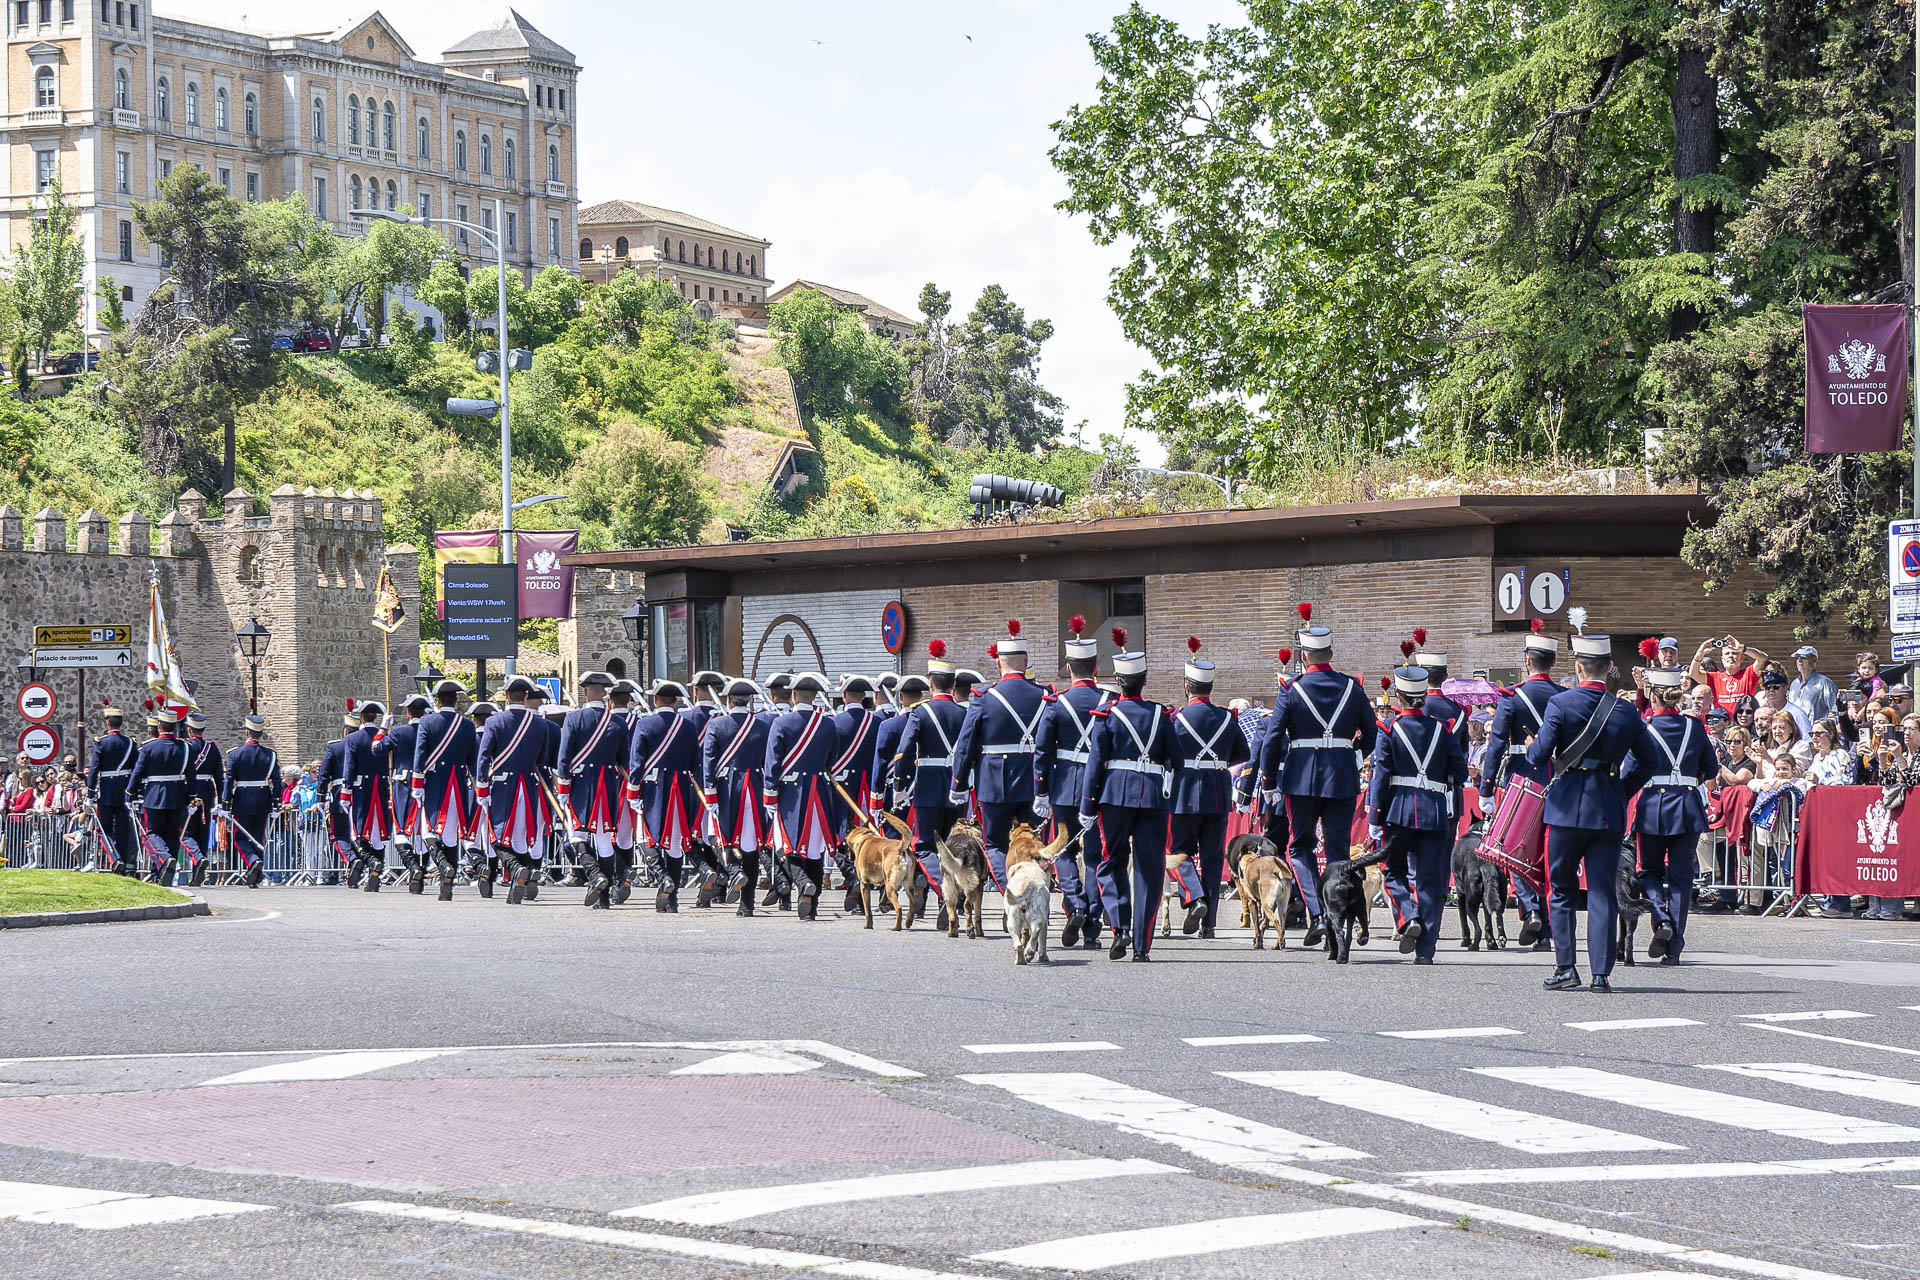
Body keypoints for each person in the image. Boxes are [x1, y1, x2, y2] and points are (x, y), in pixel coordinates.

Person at [1525, 631, 1648, 993]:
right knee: (1601, 893)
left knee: (1561, 890)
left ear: (1578, 667)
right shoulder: (1625, 710)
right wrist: (1619, 791)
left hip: (1564, 809)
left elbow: (1540, 755)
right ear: (1609, 667)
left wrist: (1532, 746)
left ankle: (1566, 967)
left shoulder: (1561, 704)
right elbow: (1649, 762)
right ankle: (1600, 973)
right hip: (1608, 810)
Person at [1254, 604, 1377, 947]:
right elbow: (1372, 733)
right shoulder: (1352, 687)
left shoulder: (1290, 688)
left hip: (1302, 776)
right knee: (1338, 852)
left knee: (1300, 847)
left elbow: (1273, 737)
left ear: (1304, 656)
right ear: (1331, 653)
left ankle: (1319, 913)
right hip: (1341, 776)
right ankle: (1337, 922)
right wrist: (1351, 755)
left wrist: (1269, 782)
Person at [1080, 641, 1179, 961]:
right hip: (1153, 797)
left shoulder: (1106, 715)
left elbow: (1095, 764)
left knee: (1111, 862)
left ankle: (1120, 927)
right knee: (1150, 871)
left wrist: (1087, 806)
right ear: (1144, 680)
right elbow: (1177, 760)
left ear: (1118, 682)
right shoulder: (1160, 715)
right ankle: (1141, 946)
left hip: (1115, 796)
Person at [1366, 664, 1468, 963]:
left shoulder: (1388, 729)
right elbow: (1460, 771)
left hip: (1398, 811)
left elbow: (1381, 775)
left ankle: (1408, 917)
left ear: (1398, 696)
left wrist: (1375, 816)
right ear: (1424, 695)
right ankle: (1426, 950)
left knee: (1392, 872)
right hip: (1435, 811)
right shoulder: (1443, 728)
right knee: (1430, 882)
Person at [1622, 669, 1717, 963]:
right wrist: (1688, 781)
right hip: (1687, 806)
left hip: (1652, 806)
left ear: (1653, 695)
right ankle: (1674, 947)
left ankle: (1661, 918)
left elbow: (1630, 769)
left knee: (1648, 871)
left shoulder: (1644, 727)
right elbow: (1711, 769)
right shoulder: (1695, 727)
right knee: (1680, 877)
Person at [951, 621, 1047, 897]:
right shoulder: (1045, 695)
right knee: (1034, 841)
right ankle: (1033, 890)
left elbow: (966, 743)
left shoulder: (983, 697)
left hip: (995, 781)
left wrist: (958, 782)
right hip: (1034, 779)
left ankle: (1011, 892)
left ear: (998, 663)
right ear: (1026, 662)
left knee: (994, 844)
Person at [1481, 621, 1561, 945]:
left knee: (1514, 846)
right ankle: (1550, 928)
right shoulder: (1564, 696)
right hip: (1555, 777)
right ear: (1552, 662)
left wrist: (1486, 787)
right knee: (1546, 851)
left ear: (1528, 660)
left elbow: (1497, 743)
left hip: (1520, 776)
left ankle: (1530, 911)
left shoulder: (1512, 697)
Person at [1166, 636, 1251, 938]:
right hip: (1217, 791)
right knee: (1213, 858)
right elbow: (1244, 754)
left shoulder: (1176, 718)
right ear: (1209, 687)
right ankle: (1210, 923)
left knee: (1178, 851)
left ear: (1187, 687)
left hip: (1185, 791)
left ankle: (1194, 895)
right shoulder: (1228, 718)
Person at [1034, 617, 1111, 949]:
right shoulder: (1109, 700)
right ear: (1095, 668)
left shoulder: (1056, 703)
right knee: (1094, 855)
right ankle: (1092, 926)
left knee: (1062, 850)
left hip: (1064, 785)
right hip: (1097, 788)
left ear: (1069, 668)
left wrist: (1040, 789)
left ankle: (1075, 903)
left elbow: (1042, 748)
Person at [892, 642, 969, 926]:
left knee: (924, 846)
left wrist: (899, 786)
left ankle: (946, 893)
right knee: (952, 846)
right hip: (958, 787)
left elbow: (904, 750)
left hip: (927, 787)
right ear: (952, 684)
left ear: (930, 683)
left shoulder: (920, 712)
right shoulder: (964, 713)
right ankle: (948, 899)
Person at [762, 671, 841, 921]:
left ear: (794, 695)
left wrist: (769, 795)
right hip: (819, 793)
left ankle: (804, 884)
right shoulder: (828, 724)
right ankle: (810, 906)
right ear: (815, 696)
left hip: (790, 795)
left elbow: (772, 764)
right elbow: (832, 760)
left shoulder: (781, 724)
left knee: (788, 847)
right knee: (815, 851)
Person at [476, 676, 554, 905]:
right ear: (527, 696)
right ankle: (524, 874)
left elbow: (484, 757)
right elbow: (543, 759)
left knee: (497, 838)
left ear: (506, 696)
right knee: (520, 838)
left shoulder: (494, 722)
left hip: (502, 787)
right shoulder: (540, 724)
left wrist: (481, 788)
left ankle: (519, 867)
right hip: (530, 786)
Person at [558, 671, 631, 911]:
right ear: (605, 693)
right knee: (603, 838)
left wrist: (563, 787)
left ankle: (595, 874)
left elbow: (565, 756)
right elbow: (624, 760)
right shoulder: (618, 722)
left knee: (577, 835)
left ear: (587, 691)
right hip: (609, 784)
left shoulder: (574, 719)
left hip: (581, 784)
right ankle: (604, 896)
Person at [629, 679, 701, 912]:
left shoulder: (645, 724)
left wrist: (633, 790)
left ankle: (663, 879)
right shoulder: (688, 725)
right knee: (676, 844)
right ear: (676, 701)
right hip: (681, 787)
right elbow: (694, 762)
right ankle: (672, 898)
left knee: (645, 837)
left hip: (654, 787)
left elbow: (637, 761)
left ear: (656, 700)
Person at [700, 676, 769, 917]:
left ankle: (735, 871)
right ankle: (747, 905)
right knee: (750, 847)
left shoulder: (716, 725)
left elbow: (708, 762)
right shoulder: (762, 725)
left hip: (727, 789)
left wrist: (710, 794)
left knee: (720, 838)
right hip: (756, 789)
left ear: (728, 700)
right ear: (749, 700)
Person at [410, 679, 476, 901]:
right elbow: (473, 760)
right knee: (451, 834)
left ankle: (445, 866)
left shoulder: (427, 723)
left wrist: (417, 783)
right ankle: (448, 878)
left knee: (429, 830)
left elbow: (420, 754)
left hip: (434, 781)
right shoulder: (467, 725)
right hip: (458, 783)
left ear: (438, 700)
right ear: (456, 700)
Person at [829, 674, 884, 910]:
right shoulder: (879, 721)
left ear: (844, 696)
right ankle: (863, 889)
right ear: (865, 697)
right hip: (869, 787)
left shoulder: (834, 722)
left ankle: (853, 878)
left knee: (840, 836)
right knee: (868, 839)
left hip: (844, 788)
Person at [126, 706, 198, 885]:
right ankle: (163, 873)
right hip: (178, 794)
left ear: (159, 726)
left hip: (154, 795)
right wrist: (192, 796)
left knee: (151, 834)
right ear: (174, 726)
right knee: (172, 835)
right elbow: (191, 775)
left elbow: (138, 772)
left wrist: (130, 792)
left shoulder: (149, 747)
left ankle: (165, 860)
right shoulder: (185, 747)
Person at [218, 713, 279, 887]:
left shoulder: (236, 755)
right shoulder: (270, 755)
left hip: (242, 799)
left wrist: (225, 803)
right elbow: (276, 781)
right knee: (258, 838)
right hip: (263, 798)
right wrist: (276, 802)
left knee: (240, 838)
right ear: (260, 734)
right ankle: (256, 876)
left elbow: (229, 781)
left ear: (246, 733)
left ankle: (252, 862)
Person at [342, 702, 394, 893]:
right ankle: (375, 875)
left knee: (358, 832)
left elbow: (349, 766)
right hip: (381, 785)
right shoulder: (384, 737)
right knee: (377, 832)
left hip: (361, 788)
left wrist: (346, 791)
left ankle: (372, 863)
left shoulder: (353, 738)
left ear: (361, 717)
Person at [86, 704, 138, 875]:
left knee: (103, 829)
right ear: (121, 723)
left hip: (107, 790)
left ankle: (114, 859)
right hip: (125, 791)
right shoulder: (130, 743)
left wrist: (91, 793)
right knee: (123, 830)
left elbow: (94, 770)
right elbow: (136, 769)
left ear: (107, 723)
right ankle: (121, 864)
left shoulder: (101, 743)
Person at [385, 695, 429, 892]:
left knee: (401, 831)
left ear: (408, 712)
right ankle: (420, 873)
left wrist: (383, 729)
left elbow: (377, 749)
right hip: (428, 784)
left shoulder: (400, 731)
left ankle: (413, 867)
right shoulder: (432, 731)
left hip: (403, 786)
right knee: (424, 832)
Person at [606, 679, 644, 901]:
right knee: (632, 834)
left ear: (610, 701)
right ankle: (625, 873)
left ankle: (620, 878)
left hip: (612, 783)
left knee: (613, 835)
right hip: (636, 783)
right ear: (630, 700)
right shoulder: (640, 722)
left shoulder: (606, 723)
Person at [316, 706, 360, 886]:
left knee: (338, 834)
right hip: (361, 794)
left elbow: (324, 774)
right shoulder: (365, 746)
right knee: (359, 833)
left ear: (344, 731)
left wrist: (320, 796)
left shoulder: (334, 747)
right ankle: (362, 864)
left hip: (339, 794)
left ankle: (351, 860)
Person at [179, 712, 222, 886]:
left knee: (184, 832)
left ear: (189, 730)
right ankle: (199, 871)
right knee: (202, 834)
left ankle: (198, 857)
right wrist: (222, 801)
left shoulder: (184, 747)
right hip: (207, 791)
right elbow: (219, 778)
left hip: (187, 790)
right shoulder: (213, 749)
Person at [462, 700, 498, 892]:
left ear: (475, 721)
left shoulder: (469, 739)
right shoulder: (500, 736)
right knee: (490, 835)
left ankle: (479, 866)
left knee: (470, 836)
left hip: (473, 789)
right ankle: (490, 876)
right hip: (497, 790)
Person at [1691, 634, 1770, 715]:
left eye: (1734, 653)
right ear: (1722, 659)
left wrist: (1742, 648)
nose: (1730, 656)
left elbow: (1763, 658)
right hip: (1722, 724)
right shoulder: (1714, 677)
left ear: (1741, 657)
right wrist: (1700, 652)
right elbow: (1693, 674)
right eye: (1727, 653)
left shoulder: (1748, 674)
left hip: (1743, 722)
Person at [1788, 646, 1837, 724]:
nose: (1799, 660)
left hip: (1814, 733)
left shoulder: (1825, 684)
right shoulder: (1794, 684)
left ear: (1814, 659)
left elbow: (1835, 712)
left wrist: (1824, 728)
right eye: (1797, 657)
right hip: (1795, 733)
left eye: (1804, 657)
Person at [1759, 671, 1812, 740]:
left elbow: (1808, 741)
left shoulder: (1797, 714)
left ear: (1785, 689)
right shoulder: (1764, 712)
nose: (1771, 690)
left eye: (1776, 687)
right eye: (1767, 687)